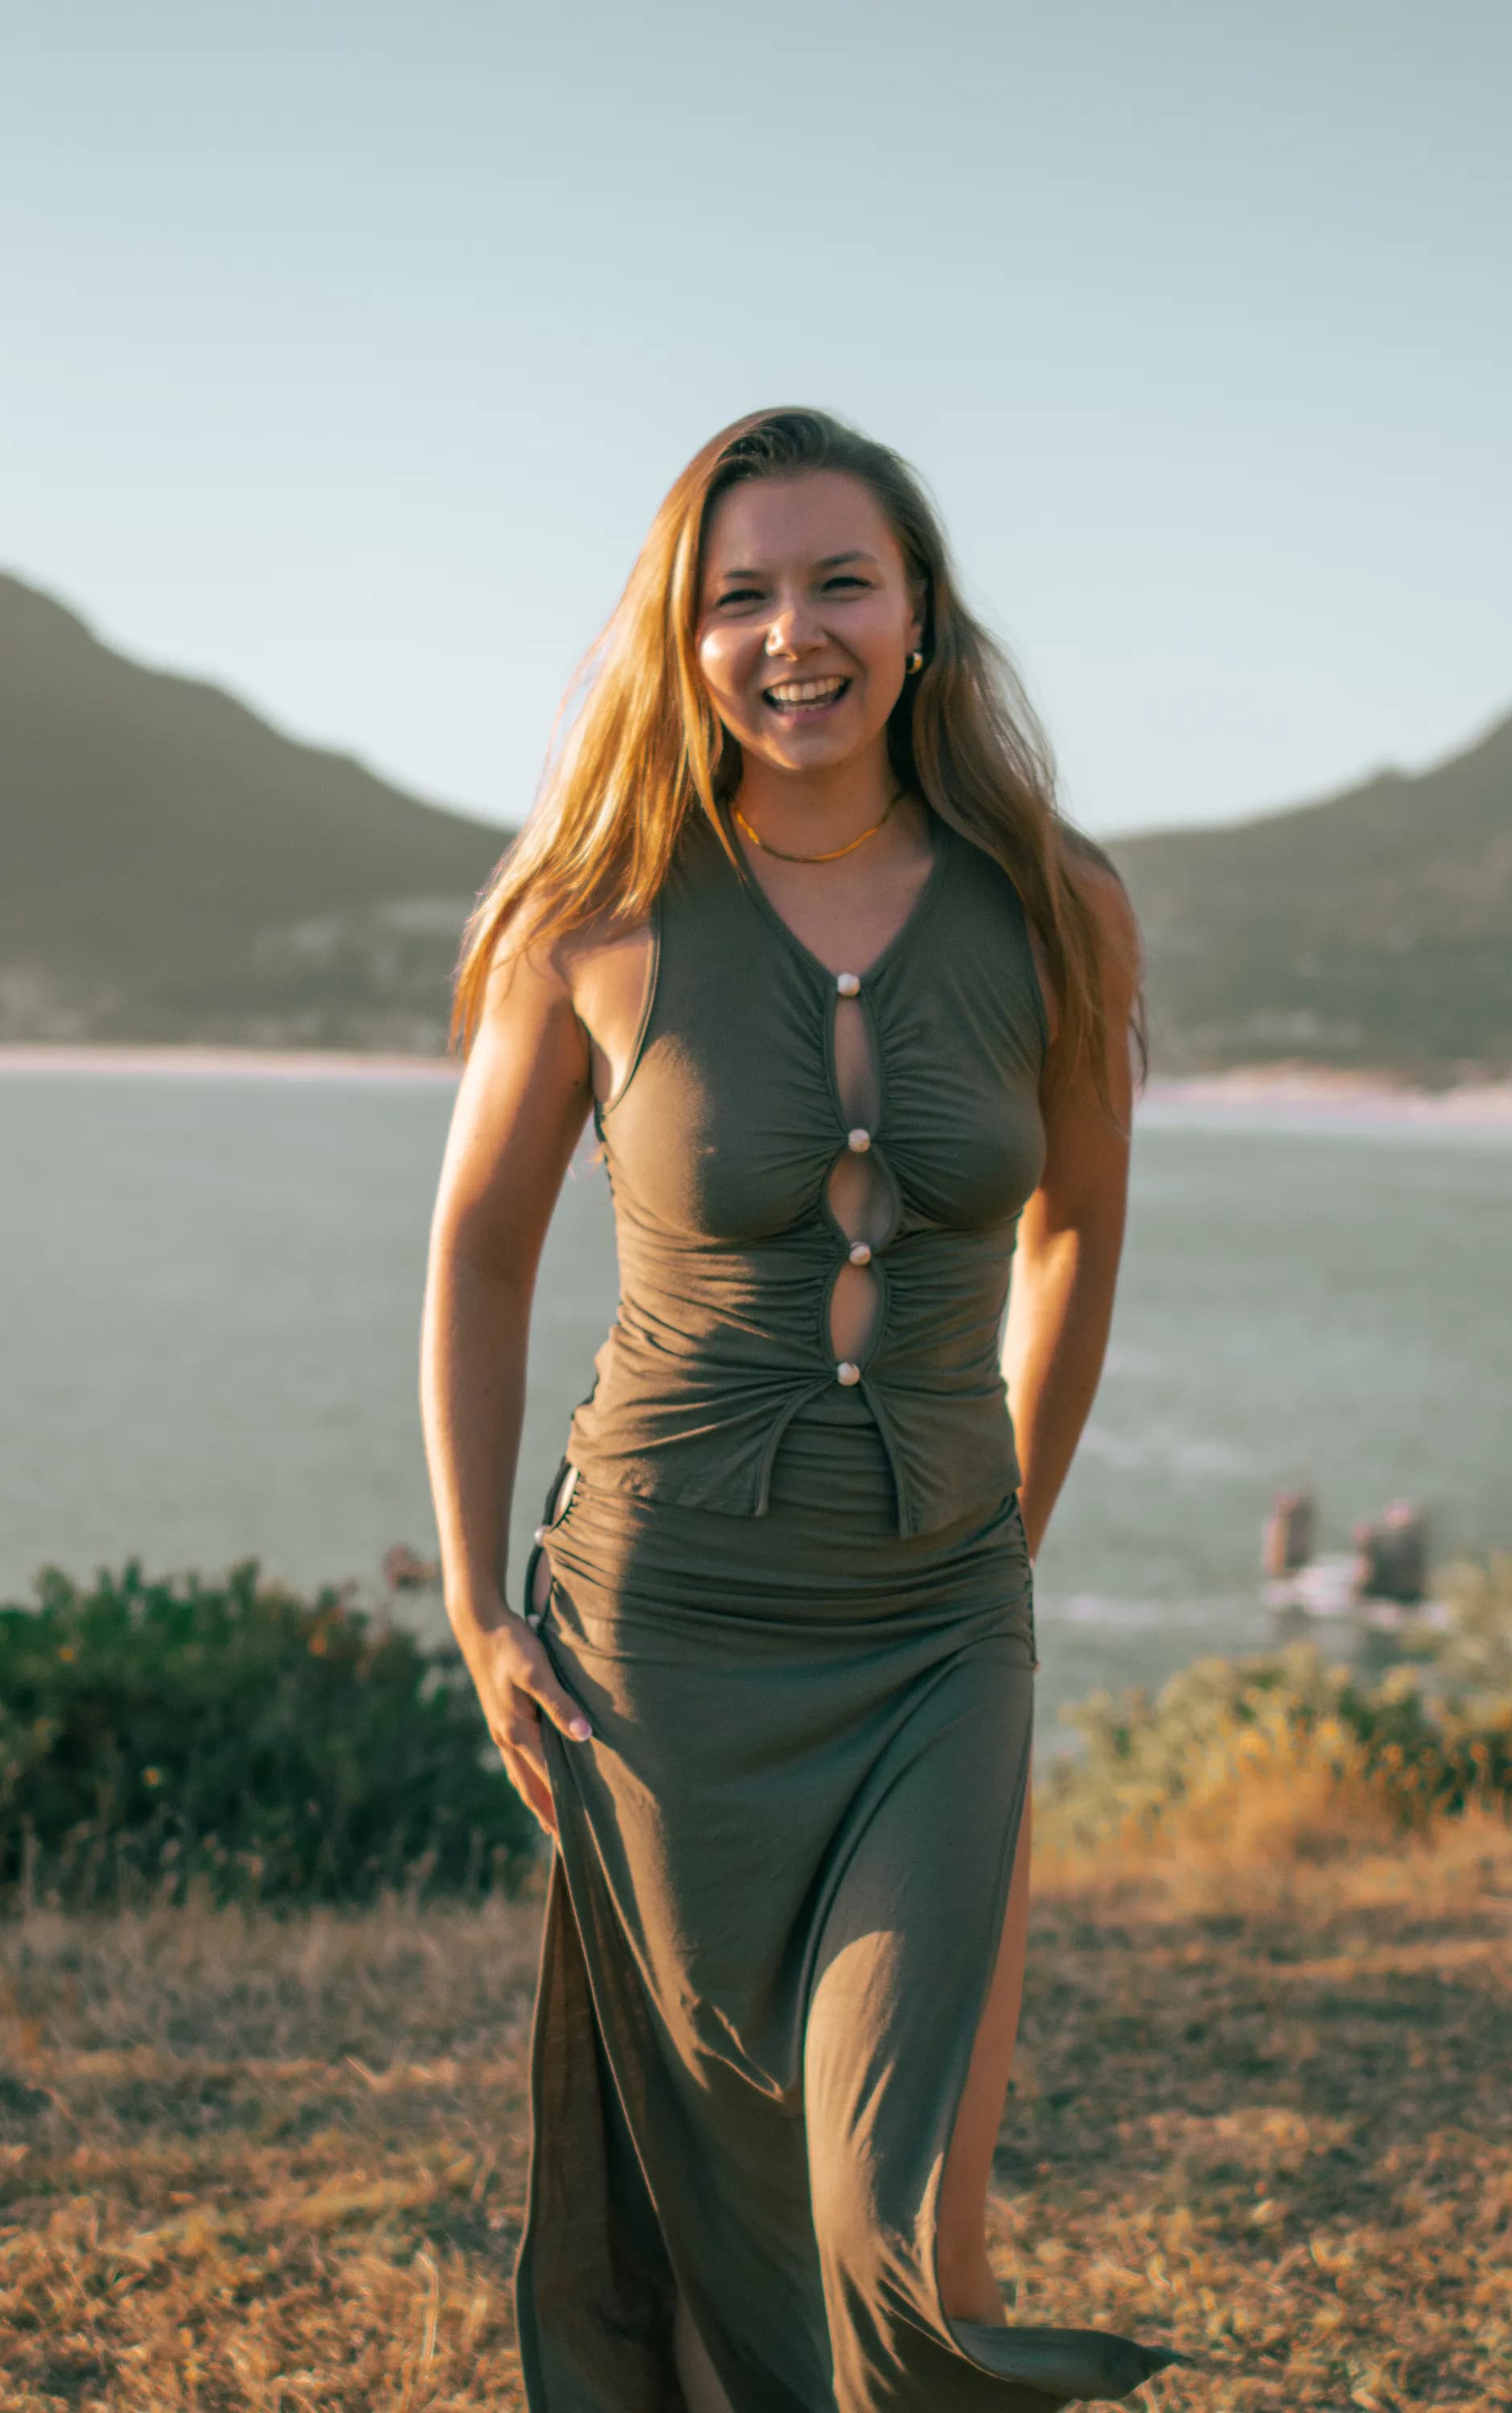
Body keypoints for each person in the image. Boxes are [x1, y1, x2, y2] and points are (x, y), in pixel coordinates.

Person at [420, 407, 1190, 2410]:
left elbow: (1077, 1230)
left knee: (899, 2219)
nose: (792, 634)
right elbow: (480, 1254)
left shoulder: (1054, 904)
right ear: (680, 640)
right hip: (663, 1632)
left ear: (919, 610)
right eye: (737, 595)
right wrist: (476, 1606)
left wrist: (1001, 1538)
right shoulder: (588, 914)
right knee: (725, 2209)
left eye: (840, 580)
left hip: (939, 1633)